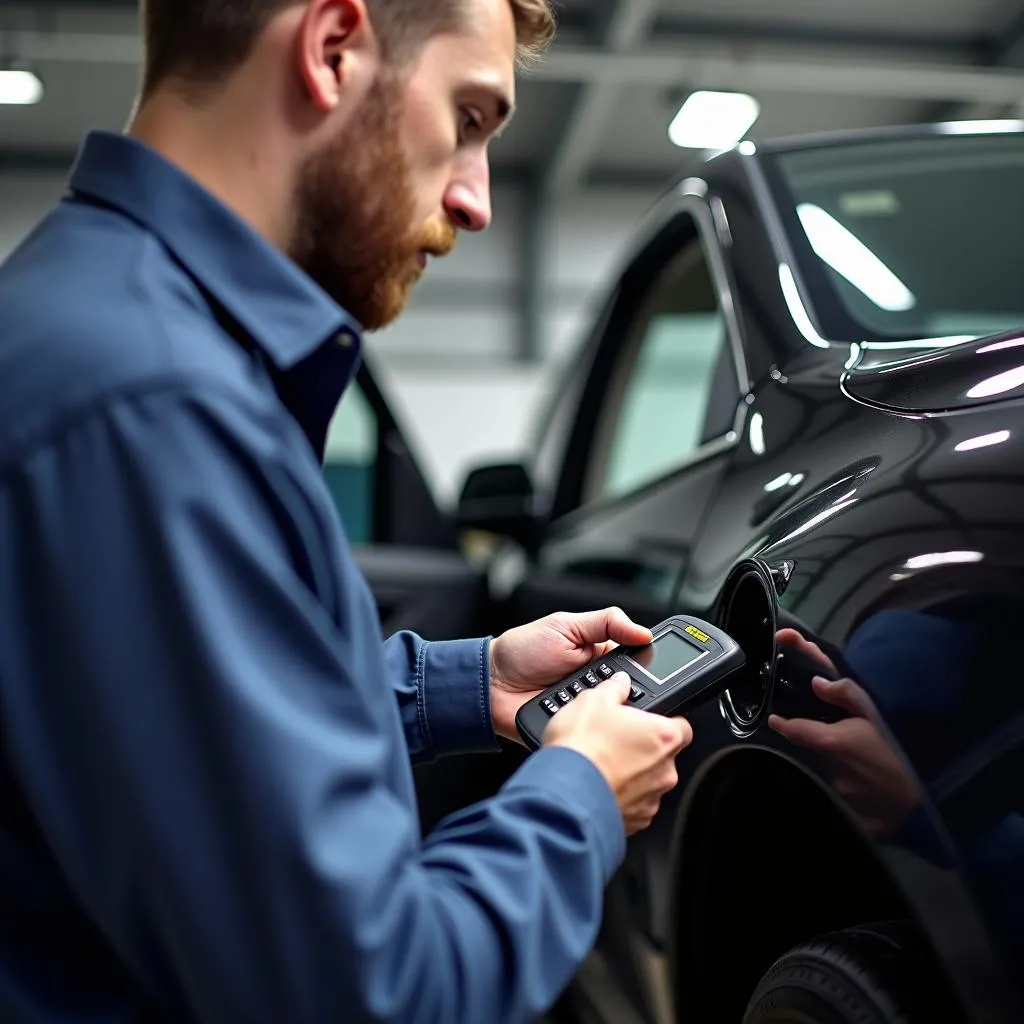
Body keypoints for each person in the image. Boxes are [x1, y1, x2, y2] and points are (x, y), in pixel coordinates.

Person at [0, 0, 695, 1021]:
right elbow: (375, 992)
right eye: (467, 118)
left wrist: (470, 682)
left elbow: (171, 712)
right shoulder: (157, 408)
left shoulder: (99, 325)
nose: (477, 202)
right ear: (331, 49)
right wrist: (579, 794)